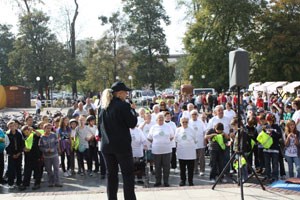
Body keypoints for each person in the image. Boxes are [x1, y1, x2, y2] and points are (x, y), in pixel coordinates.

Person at [99, 81, 138, 200]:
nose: (127, 94)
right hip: (121, 146)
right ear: (120, 93)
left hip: (106, 146)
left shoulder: (103, 107)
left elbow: (99, 127)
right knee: (127, 175)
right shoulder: (123, 105)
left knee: (111, 175)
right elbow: (132, 123)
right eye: (126, 92)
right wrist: (133, 111)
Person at [148, 113, 174, 187]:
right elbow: (149, 138)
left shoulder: (168, 127)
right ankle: (158, 181)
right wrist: (157, 143)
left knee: (166, 167)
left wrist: (165, 142)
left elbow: (172, 137)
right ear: (156, 120)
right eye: (159, 118)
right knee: (157, 167)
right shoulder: (153, 127)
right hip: (156, 151)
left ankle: (166, 181)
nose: (161, 119)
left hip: (167, 150)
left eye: (162, 118)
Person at [19, 125, 43, 190]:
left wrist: (33, 130)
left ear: (29, 130)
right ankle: (25, 184)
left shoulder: (34, 135)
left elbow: (40, 134)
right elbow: (22, 146)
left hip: (36, 155)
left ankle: (37, 184)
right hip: (28, 156)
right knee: (27, 171)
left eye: (27, 131)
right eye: (24, 132)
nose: (26, 133)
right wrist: (24, 149)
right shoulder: (24, 138)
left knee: (37, 170)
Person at [39, 123, 62, 187]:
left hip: (54, 155)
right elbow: (40, 147)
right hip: (46, 156)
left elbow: (56, 143)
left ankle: (57, 182)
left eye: (50, 128)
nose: (48, 129)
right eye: (47, 128)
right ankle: (50, 182)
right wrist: (46, 150)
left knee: (56, 169)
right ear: (44, 129)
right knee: (49, 170)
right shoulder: (42, 137)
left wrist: (53, 149)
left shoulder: (54, 135)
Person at [175, 117, 197, 186]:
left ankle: (190, 181)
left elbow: (195, 139)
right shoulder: (178, 130)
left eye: (186, 122)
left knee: (190, 168)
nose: (184, 123)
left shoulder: (192, 130)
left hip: (190, 152)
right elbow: (175, 139)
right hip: (181, 152)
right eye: (183, 122)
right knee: (182, 169)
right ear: (180, 122)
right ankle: (182, 181)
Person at [6, 120, 24, 189]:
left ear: (15, 126)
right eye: (10, 126)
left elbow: (22, 144)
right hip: (11, 154)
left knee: (18, 168)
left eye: (13, 126)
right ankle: (10, 183)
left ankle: (19, 182)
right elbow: (7, 146)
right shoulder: (7, 135)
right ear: (8, 127)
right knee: (11, 169)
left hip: (19, 154)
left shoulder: (19, 134)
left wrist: (19, 153)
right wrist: (11, 154)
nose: (12, 127)